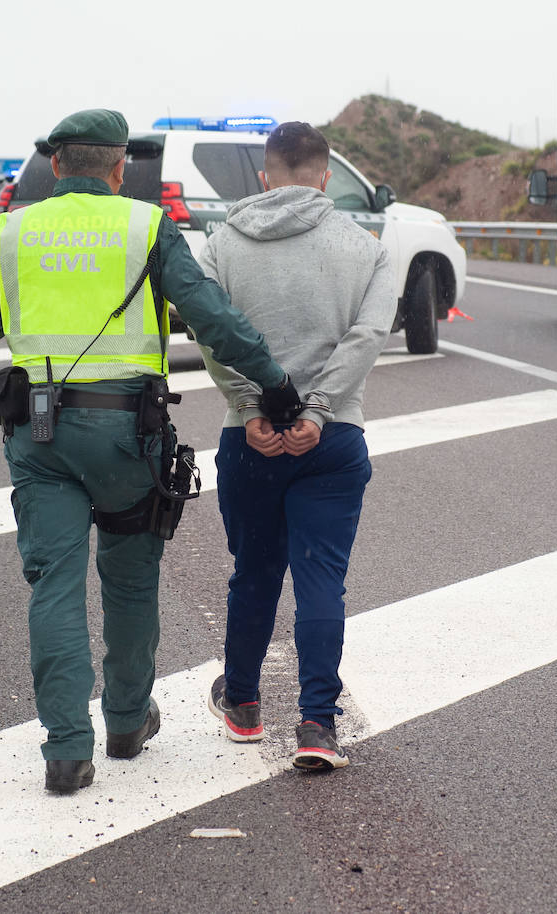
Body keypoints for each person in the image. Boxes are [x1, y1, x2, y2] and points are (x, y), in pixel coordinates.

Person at [0, 109, 300, 794]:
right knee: (131, 581)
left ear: (56, 165)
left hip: (39, 434)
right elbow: (211, 316)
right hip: (126, 436)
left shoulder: (11, 228)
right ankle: (125, 721)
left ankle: (65, 750)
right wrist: (274, 383)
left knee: (55, 585)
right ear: (120, 169)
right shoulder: (146, 226)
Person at [199, 122, 396, 770]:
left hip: (248, 439)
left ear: (265, 177)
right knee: (321, 582)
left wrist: (252, 405)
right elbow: (369, 334)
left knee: (254, 573)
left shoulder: (220, 244)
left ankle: (244, 705)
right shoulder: (365, 247)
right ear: (325, 177)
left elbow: (211, 331)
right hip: (334, 438)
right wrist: (317, 410)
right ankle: (317, 726)